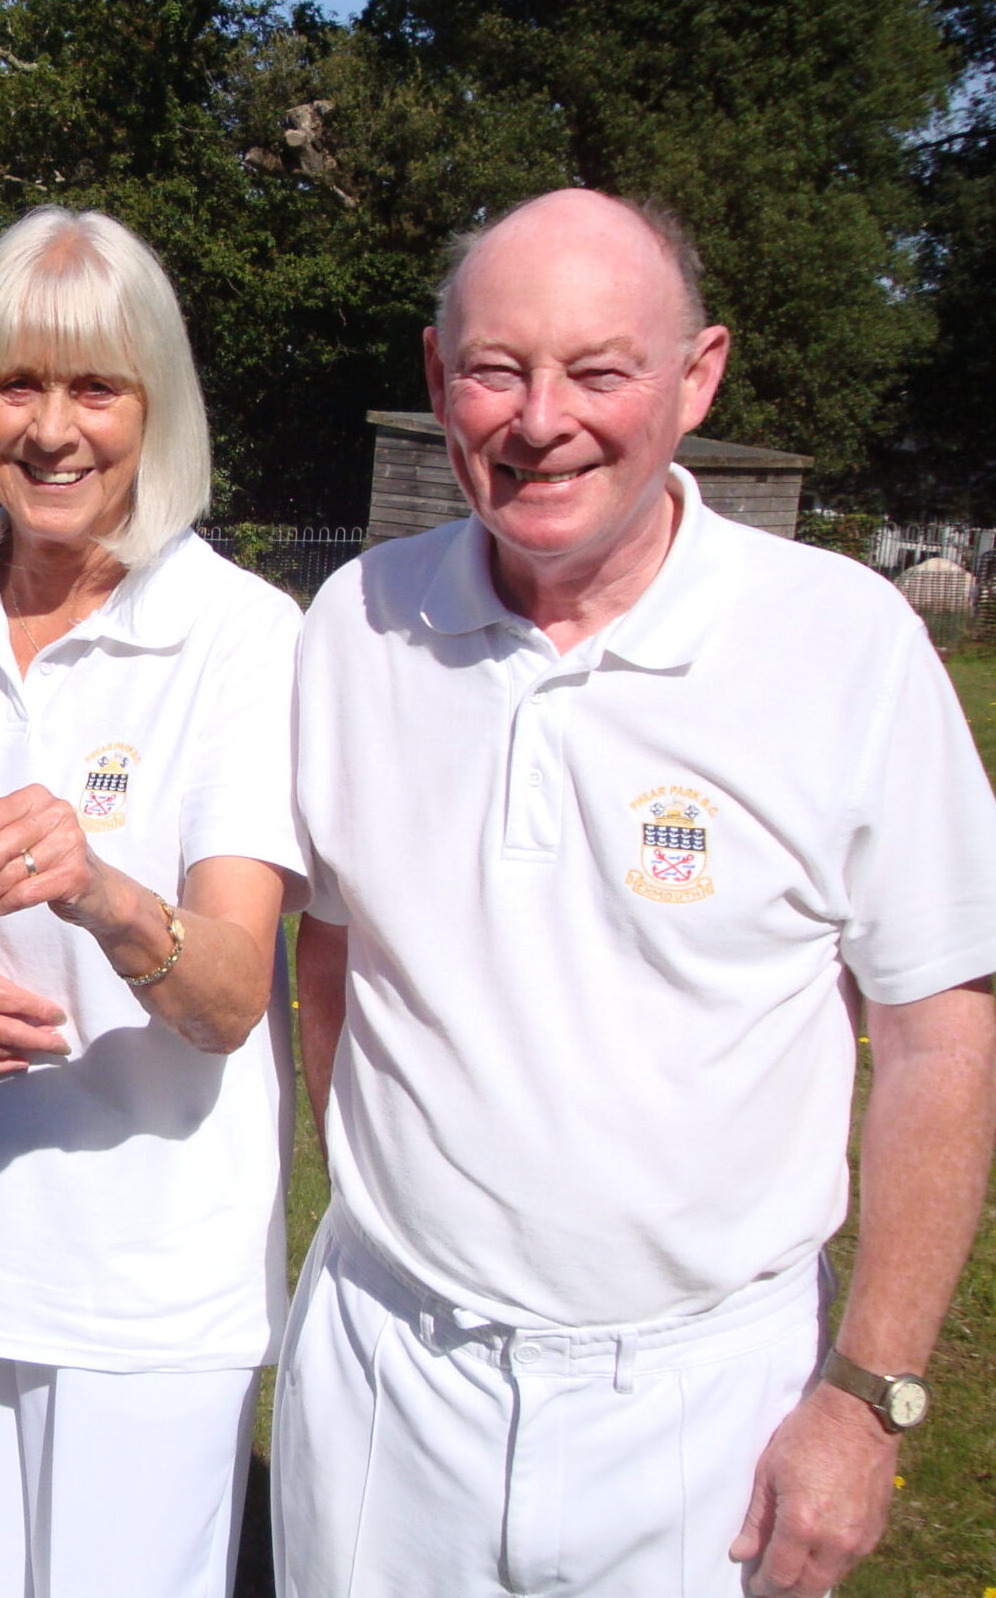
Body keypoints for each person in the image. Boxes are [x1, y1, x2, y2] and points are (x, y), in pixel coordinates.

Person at [281, 188, 996, 1598]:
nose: (541, 418)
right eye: (495, 368)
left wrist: (864, 1398)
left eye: (600, 369)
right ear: (438, 380)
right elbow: (328, 965)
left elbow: (936, 1042)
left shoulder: (839, 642)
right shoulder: (353, 626)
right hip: (382, 1380)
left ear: (696, 376)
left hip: (700, 1410)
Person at [0, 207, 305, 1598]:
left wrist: (105, 893)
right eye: (15, 384)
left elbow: (230, 998)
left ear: (152, 409)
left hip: (148, 1292)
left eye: (94, 387)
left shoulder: (241, 637)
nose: (52, 431)